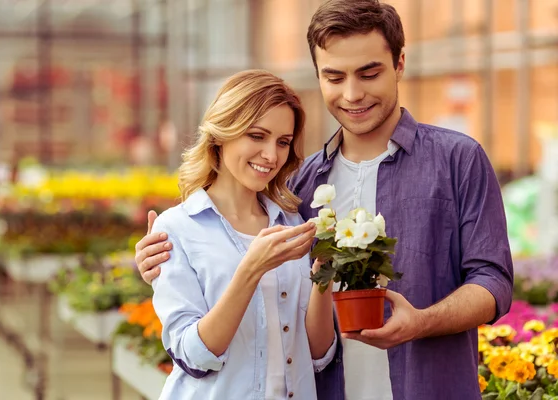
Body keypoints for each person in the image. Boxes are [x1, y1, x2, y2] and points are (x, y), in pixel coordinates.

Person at [136, 1, 514, 399]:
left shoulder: (458, 160)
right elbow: (224, 244)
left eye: (369, 73)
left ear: (400, 63)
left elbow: (493, 282)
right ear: (317, 76)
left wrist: (422, 322)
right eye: (334, 77)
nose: (352, 94)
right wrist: (158, 259)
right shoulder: (299, 187)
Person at [148, 69, 338, 400]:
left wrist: (324, 274)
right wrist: (251, 269)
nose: (271, 155)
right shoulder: (176, 229)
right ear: (222, 134)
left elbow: (319, 354)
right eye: (256, 136)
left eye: (283, 142)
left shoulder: (292, 224)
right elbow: (195, 356)